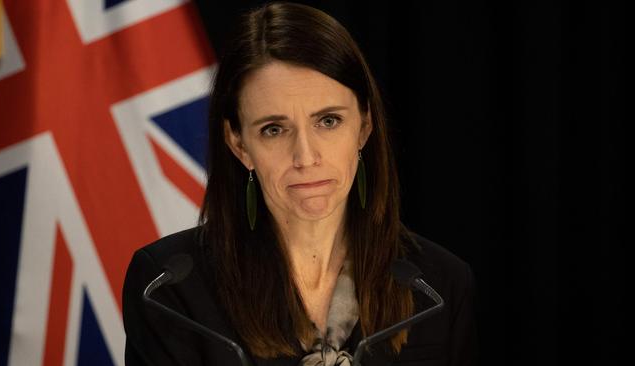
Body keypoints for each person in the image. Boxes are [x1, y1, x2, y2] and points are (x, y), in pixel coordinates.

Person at [122, 2, 478, 365]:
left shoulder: (438, 286)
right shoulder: (169, 289)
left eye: (328, 121)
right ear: (239, 144)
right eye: (273, 129)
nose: (306, 157)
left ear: (364, 126)